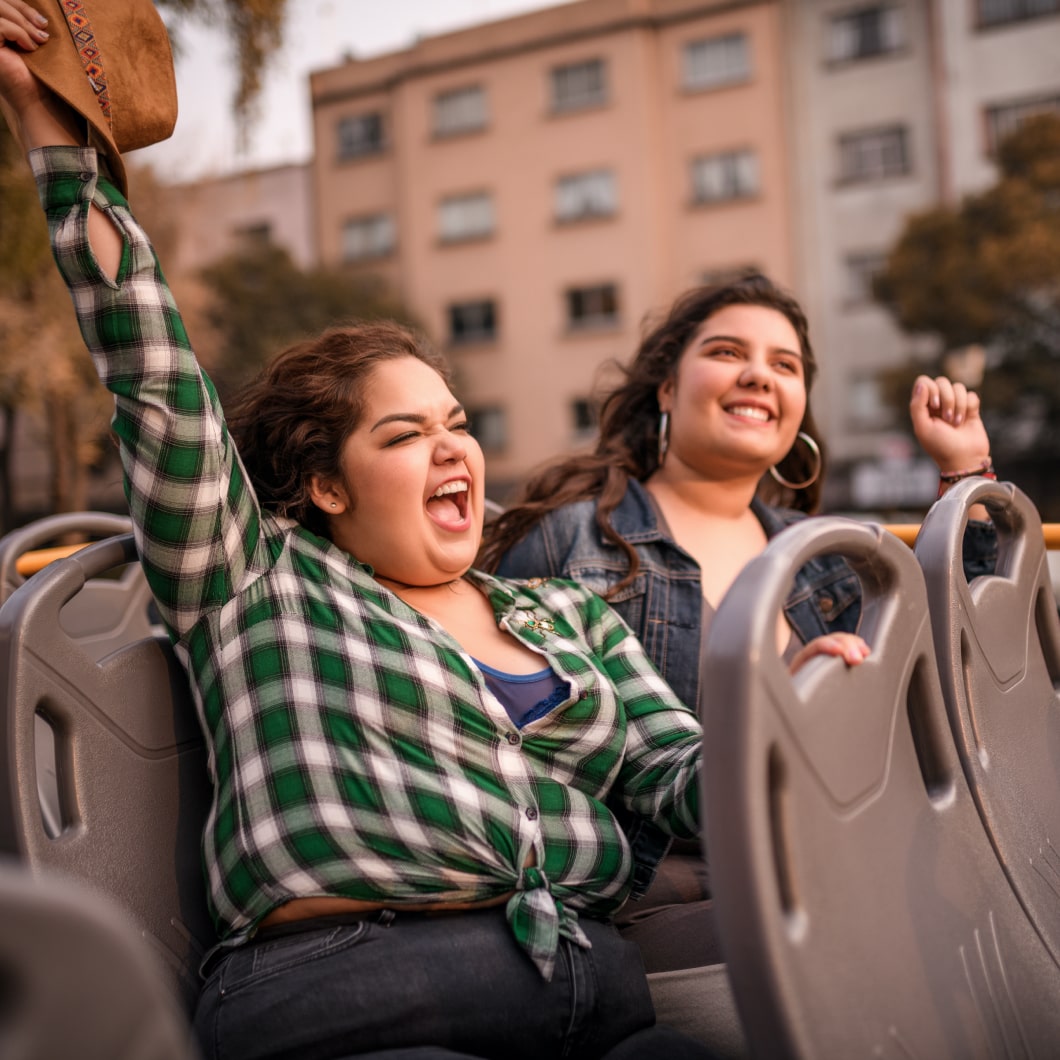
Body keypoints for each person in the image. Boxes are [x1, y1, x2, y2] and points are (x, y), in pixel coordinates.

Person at [0, 10, 873, 1058]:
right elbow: (153, 373)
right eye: (406, 433)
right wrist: (59, 145)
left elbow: (684, 784)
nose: (452, 447)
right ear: (325, 483)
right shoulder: (257, 580)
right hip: (355, 988)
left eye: (457, 423)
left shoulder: (565, 618)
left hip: (585, 980)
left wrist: (784, 707)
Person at [479, 275, 997, 1043]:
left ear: (798, 414)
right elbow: (499, 749)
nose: (760, 373)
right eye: (727, 352)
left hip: (829, 866)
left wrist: (967, 471)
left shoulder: (834, 560)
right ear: (666, 388)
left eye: (785, 365)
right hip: (655, 900)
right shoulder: (569, 544)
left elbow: (969, 673)